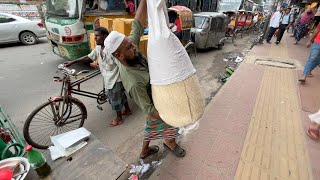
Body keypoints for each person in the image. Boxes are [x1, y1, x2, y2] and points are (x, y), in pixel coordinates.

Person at [104, 0, 185, 159]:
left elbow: (138, 23)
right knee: (165, 122)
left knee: (150, 126)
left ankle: (144, 152)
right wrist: (173, 117)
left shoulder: (127, 48)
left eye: (130, 43)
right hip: (152, 100)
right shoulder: (134, 82)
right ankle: (170, 142)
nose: (134, 47)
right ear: (119, 56)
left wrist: (145, 1)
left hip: (155, 92)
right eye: (129, 47)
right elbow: (148, 109)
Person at [64, 27, 132, 127]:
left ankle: (119, 118)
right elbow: (88, 57)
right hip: (107, 77)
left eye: (97, 36)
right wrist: (72, 62)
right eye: (95, 36)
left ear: (105, 37)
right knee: (120, 95)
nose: (95, 38)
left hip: (116, 79)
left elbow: (122, 65)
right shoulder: (98, 48)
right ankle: (127, 109)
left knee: (114, 100)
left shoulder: (112, 50)